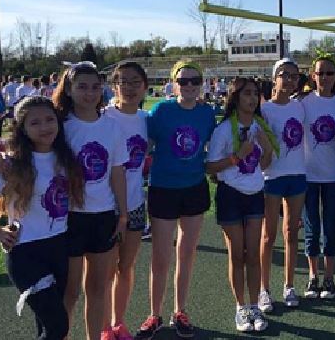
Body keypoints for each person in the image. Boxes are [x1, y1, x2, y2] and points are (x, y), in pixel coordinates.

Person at [0, 96, 84, 340]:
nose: (44, 127)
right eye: (35, 123)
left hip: (59, 246)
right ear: (22, 128)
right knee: (58, 327)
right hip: (26, 252)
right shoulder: (10, 163)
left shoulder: (64, 156)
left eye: (49, 120)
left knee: (45, 326)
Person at [135, 60, 215, 340]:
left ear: (202, 84)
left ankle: (180, 311)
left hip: (194, 187)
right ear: (174, 83)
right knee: (161, 256)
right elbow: (142, 145)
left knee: (187, 254)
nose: (189, 86)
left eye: (195, 80)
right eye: (183, 81)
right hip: (164, 189)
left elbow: (213, 147)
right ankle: (154, 314)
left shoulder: (207, 113)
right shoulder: (161, 111)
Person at [52, 61, 129, 340]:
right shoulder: (59, 127)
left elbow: (117, 172)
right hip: (68, 217)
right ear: (69, 90)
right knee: (70, 290)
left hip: (103, 216)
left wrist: (123, 215)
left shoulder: (111, 127)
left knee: (98, 288)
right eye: (82, 87)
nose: (90, 93)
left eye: (95, 87)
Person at [206, 78, 274, 332]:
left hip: (255, 193)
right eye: (247, 94)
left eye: (255, 94)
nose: (252, 98)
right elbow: (210, 167)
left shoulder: (259, 127)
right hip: (230, 194)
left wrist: (266, 150)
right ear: (235, 97)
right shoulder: (224, 129)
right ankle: (241, 307)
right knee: (237, 254)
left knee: (253, 253)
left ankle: (255, 306)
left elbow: (264, 165)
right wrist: (237, 156)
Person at [100, 62, 149, 340]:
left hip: (135, 205)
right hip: (105, 208)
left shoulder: (146, 119)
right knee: (103, 273)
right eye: (123, 82)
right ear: (114, 86)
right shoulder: (103, 117)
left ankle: (119, 323)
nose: (129, 88)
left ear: (144, 86)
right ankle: (103, 326)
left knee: (126, 268)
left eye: (135, 82)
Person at [258, 58, 306, 312]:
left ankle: (289, 285)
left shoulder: (300, 107)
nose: (288, 80)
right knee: (268, 235)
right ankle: (264, 289)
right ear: (274, 77)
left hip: (297, 175)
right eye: (284, 75)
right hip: (272, 177)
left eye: (293, 76)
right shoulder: (264, 110)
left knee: (292, 232)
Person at [301, 51, 335, 299]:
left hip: (333, 176)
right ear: (313, 76)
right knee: (311, 227)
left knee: (330, 226)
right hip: (309, 176)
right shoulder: (304, 103)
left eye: (330, 73)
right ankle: (312, 277)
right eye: (320, 73)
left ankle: (329, 278)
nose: (325, 77)